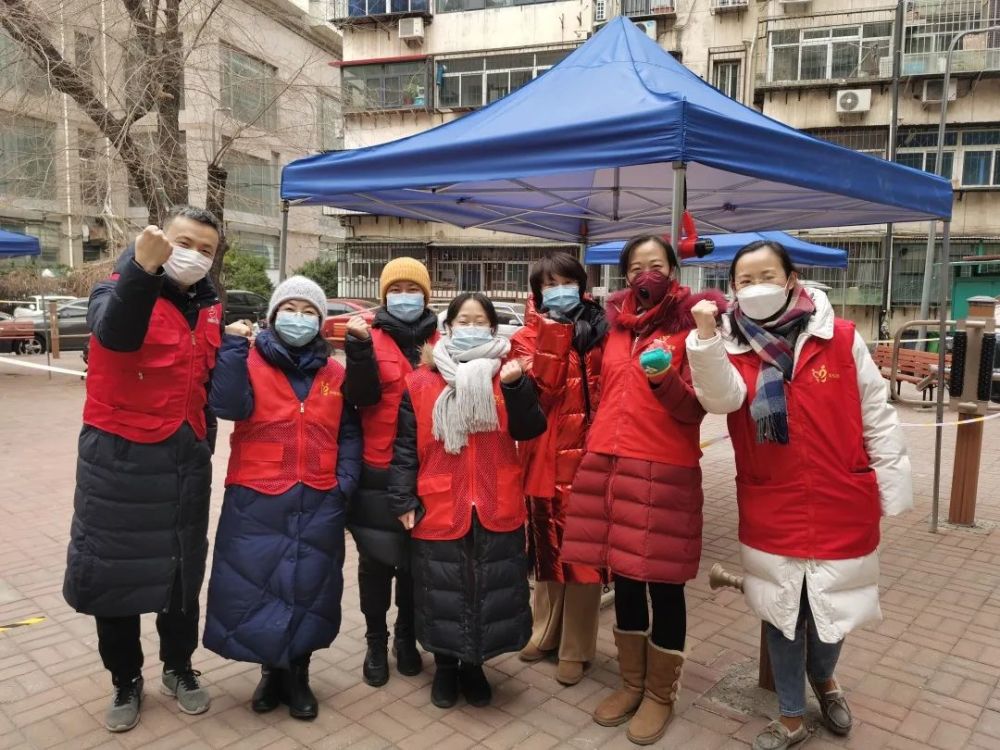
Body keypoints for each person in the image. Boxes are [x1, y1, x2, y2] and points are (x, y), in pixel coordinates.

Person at [684, 240, 912, 750]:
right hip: (773, 500)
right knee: (784, 612)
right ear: (732, 290)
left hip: (840, 496)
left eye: (767, 274)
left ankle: (826, 678)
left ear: (791, 279)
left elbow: (877, 412)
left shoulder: (842, 338)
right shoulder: (731, 347)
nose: (756, 285)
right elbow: (721, 398)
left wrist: (891, 485)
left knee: (837, 609)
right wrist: (703, 338)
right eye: (744, 280)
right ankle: (790, 714)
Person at [63, 207, 224, 733]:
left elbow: (204, 384)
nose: (195, 255)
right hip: (120, 464)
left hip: (184, 462)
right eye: (185, 242)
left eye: (206, 249)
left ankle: (179, 666)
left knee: (181, 574)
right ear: (156, 240)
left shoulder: (207, 307)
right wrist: (142, 269)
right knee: (115, 576)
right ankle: (125, 677)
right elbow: (115, 335)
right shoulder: (114, 288)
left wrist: (204, 444)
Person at [561, 235, 726, 746]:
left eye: (656, 264)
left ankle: (660, 693)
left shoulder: (692, 326)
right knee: (625, 580)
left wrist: (665, 383)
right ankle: (631, 683)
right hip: (609, 463)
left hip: (664, 466)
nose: (645, 273)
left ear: (674, 269)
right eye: (636, 266)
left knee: (664, 584)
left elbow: (700, 408)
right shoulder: (612, 328)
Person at [202, 276, 361, 720]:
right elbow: (228, 406)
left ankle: (300, 673)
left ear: (321, 321)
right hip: (256, 497)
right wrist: (232, 348)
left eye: (309, 311)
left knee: (309, 587)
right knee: (259, 585)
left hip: (318, 497)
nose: (300, 319)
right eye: (290, 309)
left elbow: (349, 432)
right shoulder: (249, 359)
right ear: (273, 316)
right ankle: (272, 671)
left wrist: (344, 480)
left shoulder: (334, 372)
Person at [388, 293, 547, 709]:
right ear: (449, 326)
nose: (471, 326)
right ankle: (445, 667)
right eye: (463, 319)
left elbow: (530, 429)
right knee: (443, 589)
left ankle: (475, 665)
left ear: (493, 329)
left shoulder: (506, 376)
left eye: (480, 320)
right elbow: (405, 446)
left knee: (487, 587)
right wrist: (402, 496)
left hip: (496, 499)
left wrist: (517, 386)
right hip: (440, 501)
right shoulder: (420, 381)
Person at [509, 252, 608, 686]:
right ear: (537, 292)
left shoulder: (604, 331)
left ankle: (576, 647)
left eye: (567, 281)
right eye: (549, 284)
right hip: (546, 457)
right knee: (547, 550)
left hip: (593, 456)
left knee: (584, 557)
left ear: (582, 285)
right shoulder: (525, 338)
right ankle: (543, 632)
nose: (559, 290)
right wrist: (555, 329)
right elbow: (544, 393)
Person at [342, 258, 439, 687]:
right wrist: (359, 353)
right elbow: (358, 398)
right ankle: (375, 641)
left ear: (426, 294)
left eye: (411, 288)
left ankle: (406, 638)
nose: (404, 296)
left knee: (417, 565)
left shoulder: (443, 339)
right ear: (384, 296)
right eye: (395, 289)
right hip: (377, 467)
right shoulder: (367, 337)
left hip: (431, 468)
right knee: (376, 563)